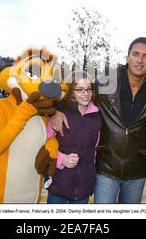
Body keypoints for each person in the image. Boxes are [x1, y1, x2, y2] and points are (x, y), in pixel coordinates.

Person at [50, 37, 146, 203]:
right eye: (135, 54)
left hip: (137, 170)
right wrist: (57, 110)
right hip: (106, 168)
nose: (140, 60)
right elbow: (75, 94)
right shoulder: (105, 83)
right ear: (127, 57)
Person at [46, 72, 102, 204]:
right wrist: (61, 159)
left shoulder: (97, 116)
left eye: (89, 89)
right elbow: (45, 144)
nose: (85, 93)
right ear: (71, 92)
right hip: (59, 184)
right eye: (80, 89)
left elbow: (95, 150)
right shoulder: (60, 115)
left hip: (84, 187)